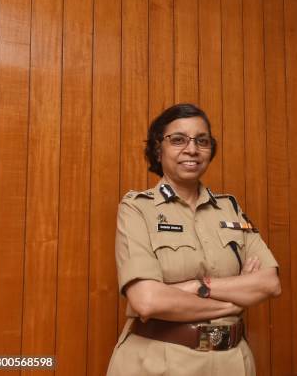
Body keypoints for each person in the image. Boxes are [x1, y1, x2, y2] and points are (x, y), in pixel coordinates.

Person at [107, 104, 281, 376]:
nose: (192, 149)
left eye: (202, 141)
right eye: (178, 140)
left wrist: (196, 286)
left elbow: (269, 282)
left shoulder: (229, 208)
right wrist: (235, 300)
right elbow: (147, 300)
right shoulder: (137, 208)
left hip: (232, 362)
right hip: (159, 362)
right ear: (157, 149)